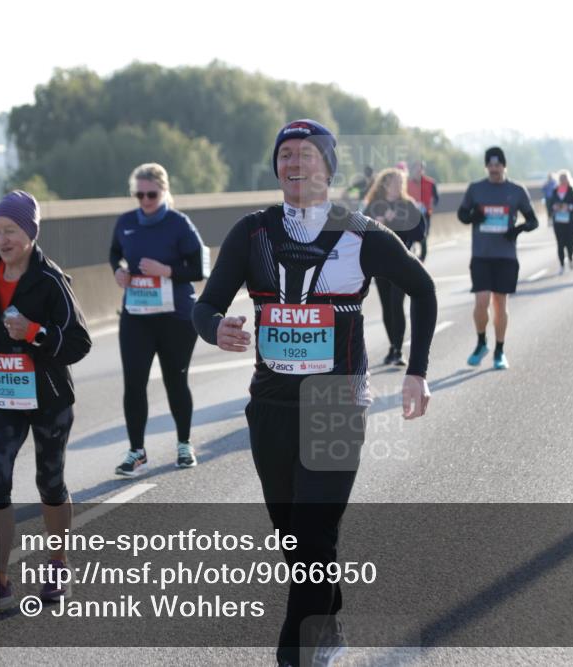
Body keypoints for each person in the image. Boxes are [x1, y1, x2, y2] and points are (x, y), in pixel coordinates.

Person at [192, 119, 436, 667]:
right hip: (270, 406)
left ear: (329, 167)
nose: (294, 163)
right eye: (285, 154)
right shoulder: (252, 233)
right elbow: (205, 305)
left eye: (306, 154)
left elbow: (422, 289)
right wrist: (215, 328)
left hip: (336, 403)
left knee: (314, 533)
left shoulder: (362, 233)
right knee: (295, 541)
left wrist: (416, 371)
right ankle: (327, 623)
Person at [0, 190, 92, 610]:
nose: (2, 239)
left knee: (49, 483)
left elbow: (79, 342)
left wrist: (35, 331)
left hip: (49, 396)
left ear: (30, 233)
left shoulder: (51, 279)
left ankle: (58, 563)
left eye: (11, 231)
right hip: (3, 394)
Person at [110, 163, 208, 475]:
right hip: (137, 315)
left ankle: (184, 444)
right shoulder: (126, 222)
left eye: (151, 193)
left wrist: (167, 271)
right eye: (139, 194)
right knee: (133, 383)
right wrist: (119, 271)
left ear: (164, 191)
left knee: (175, 381)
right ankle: (136, 451)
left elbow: (200, 268)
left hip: (175, 316)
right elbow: (114, 253)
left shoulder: (179, 223)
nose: (145, 200)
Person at [458, 146, 539, 370]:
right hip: (481, 255)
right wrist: (474, 215)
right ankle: (481, 341)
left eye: (498, 165)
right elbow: (462, 214)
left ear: (504, 166)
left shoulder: (517, 190)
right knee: (481, 300)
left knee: (500, 302)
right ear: (486, 166)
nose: (494, 169)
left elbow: (533, 221)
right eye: (490, 165)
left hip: (505, 256)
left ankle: (499, 350)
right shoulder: (476, 189)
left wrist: (518, 230)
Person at [364, 167, 429, 365]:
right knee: (386, 306)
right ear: (384, 184)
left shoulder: (408, 205)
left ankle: (399, 350)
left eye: (401, 182)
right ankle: (392, 346)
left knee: (396, 304)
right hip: (379, 263)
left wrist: (399, 221)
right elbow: (361, 233)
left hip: (401, 263)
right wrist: (377, 223)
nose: (399, 186)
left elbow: (420, 233)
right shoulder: (374, 206)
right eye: (395, 182)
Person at [548, 170, 573, 274]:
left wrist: (569, 207)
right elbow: (550, 206)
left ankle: (570, 257)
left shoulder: (572, 191)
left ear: (568, 180)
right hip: (558, 222)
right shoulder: (555, 191)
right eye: (561, 179)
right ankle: (562, 265)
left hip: (570, 223)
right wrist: (554, 207)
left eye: (564, 179)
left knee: (569, 244)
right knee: (560, 244)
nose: (563, 181)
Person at [407, 160, 439, 261]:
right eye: (416, 168)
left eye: (420, 168)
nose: (418, 171)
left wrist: (430, 206)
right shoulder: (407, 183)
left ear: (423, 170)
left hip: (425, 214)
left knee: (423, 236)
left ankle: (422, 259)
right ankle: (406, 256)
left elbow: (436, 198)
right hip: (411, 214)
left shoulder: (431, 183)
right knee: (409, 235)